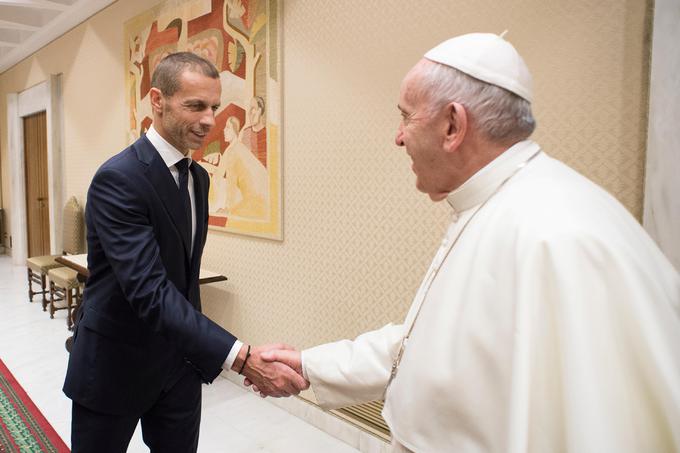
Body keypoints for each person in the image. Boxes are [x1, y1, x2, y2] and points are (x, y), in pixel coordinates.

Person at [255, 33, 680, 452]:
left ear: (453, 126)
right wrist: (312, 365)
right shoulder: (496, 205)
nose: (398, 137)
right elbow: (433, 348)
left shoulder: (557, 236)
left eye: (406, 116)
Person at [63, 52, 307, 453]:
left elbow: (183, 277)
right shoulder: (118, 179)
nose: (209, 120)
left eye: (213, 106)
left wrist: (200, 353)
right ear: (157, 101)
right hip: (114, 363)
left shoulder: (198, 178)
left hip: (179, 366)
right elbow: (149, 291)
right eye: (195, 106)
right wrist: (242, 358)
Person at [200, 116, 268, 218]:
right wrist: (203, 165)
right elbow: (219, 172)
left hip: (254, 202)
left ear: (234, 130)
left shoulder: (234, 151)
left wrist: (228, 209)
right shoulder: (234, 147)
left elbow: (231, 183)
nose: (224, 130)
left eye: (227, 127)